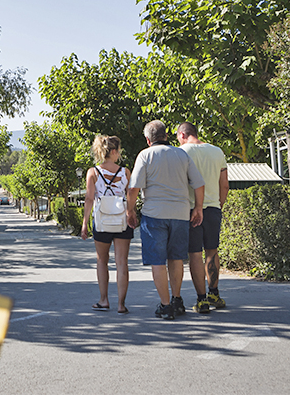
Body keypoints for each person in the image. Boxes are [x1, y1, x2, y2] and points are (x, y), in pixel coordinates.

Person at [126, 120, 205, 320]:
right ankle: (177, 299)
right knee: (176, 258)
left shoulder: (145, 155)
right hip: (180, 214)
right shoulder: (182, 154)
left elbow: (134, 188)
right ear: (166, 136)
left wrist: (130, 210)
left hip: (154, 214)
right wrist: (198, 208)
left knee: (157, 262)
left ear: (148, 139)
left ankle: (165, 305)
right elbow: (198, 184)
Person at [177, 121, 229, 313]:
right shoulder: (217, 151)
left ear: (182, 135)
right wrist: (218, 205)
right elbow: (225, 185)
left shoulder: (181, 153)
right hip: (213, 208)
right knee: (212, 251)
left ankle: (201, 300)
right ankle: (214, 293)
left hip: (190, 209)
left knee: (195, 255)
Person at [81, 135, 133, 314]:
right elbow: (130, 195)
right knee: (122, 262)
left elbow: (89, 198)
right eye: (118, 151)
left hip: (101, 221)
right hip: (122, 221)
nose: (119, 154)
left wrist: (85, 223)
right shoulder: (125, 172)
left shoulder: (93, 172)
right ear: (113, 151)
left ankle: (104, 300)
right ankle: (121, 304)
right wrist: (131, 212)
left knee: (102, 261)